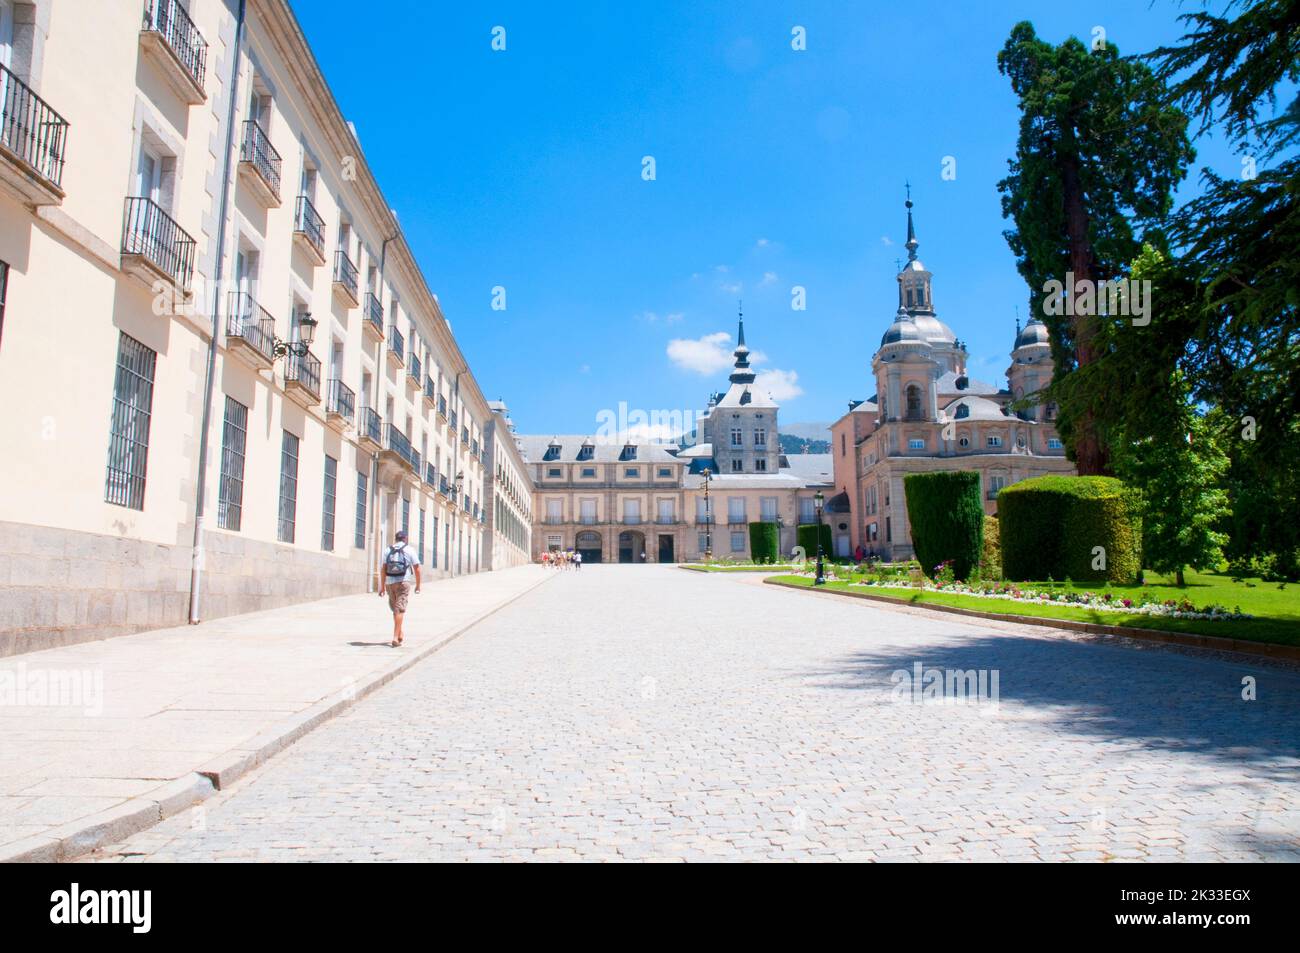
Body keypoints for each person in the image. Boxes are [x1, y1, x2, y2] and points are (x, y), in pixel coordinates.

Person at [379, 529, 421, 647]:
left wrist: (382, 587)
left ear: (396, 539)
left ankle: (399, 632)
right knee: (400, 609)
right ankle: (395, 637)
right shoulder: (409, 549)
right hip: (403, 582)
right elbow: (417, 568)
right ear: (405, 539)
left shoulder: (388, 550)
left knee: (395, 609)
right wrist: (418, 585)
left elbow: (383, 569)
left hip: (390, 583)